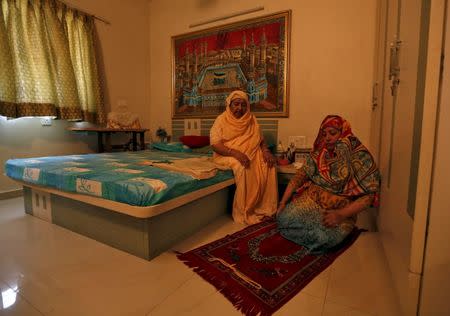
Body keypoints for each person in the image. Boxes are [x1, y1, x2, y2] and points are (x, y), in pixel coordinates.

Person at [276, 115, 380, 253]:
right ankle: (312, 234)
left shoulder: (359, 156)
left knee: (326, 239)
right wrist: (282, 203)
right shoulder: (320, 154)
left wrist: (341, 215)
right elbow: (298, 177)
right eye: (324, 134)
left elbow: (369, 196)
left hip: (340, 209)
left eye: (333, 133)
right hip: (312, 200)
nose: (327, 138)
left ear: (344, 133)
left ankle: (316, 236)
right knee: (283, 219)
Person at [210, 90, 278, 225]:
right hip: (226, 154)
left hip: (250, 152)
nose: (239, 108)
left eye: (243, 105)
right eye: (236, 104)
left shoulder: (251, 119)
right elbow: (215, 145)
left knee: (269, 164)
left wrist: (266, 151)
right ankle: (245, 209)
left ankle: (264, 208)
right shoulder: (221, 120)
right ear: (229, 105)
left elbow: (260, 139)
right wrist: (237, 154)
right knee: (241, 165)